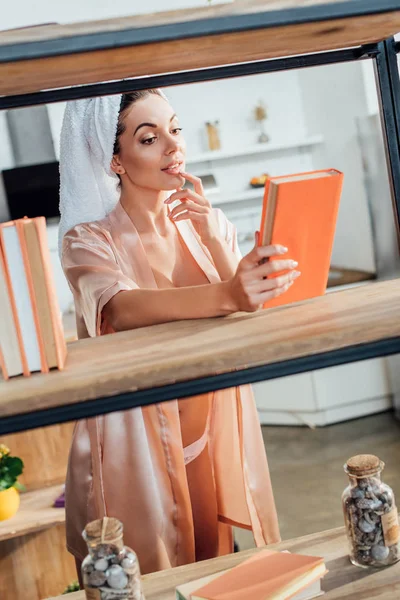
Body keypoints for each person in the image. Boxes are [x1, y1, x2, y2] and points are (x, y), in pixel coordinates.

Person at [59, 89, 300, 578]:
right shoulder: (87, 241)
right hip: (136, 454)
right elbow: (121, 310)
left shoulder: (208, 225)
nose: (173, 147)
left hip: (212, 439)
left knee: (221, 573)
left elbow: (249, 313)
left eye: (176, 129)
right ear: (115, 162)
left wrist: (217, 240)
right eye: (149, 138)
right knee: (155, 578)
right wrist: (230, 293)